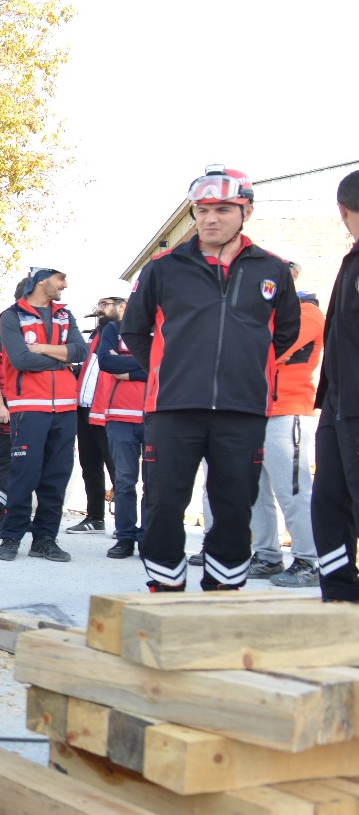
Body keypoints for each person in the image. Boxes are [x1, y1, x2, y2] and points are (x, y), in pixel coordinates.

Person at [121, 165, 299, 591]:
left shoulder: (271, 270)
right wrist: (173, 371)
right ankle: (164, 588)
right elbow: (133, 330)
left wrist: (245, 369)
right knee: (164, 505)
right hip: (172, 409)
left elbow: (286, 333)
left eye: (223, 209)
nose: (210, 219)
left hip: (242, 410)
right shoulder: (163, 268)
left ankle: (223, 589)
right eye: (202, 210)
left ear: (246, 212)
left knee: (235, 507)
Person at [0, 267, 87, 562]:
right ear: (42, 281)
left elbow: (81, 352)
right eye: (61, 278)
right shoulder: (11, 316)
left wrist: (43, 349)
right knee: (24, 473)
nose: (65, 283)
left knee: (56, 476)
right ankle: (11, 537)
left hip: (65, 407)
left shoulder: (65, 315)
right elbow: (20, 359)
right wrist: (62, 358)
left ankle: (45, 539)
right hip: (28, 406)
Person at [247, 262, 323, 587]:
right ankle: (267, 555)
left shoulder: (306, 312)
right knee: (256, 491)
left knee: (292, 490)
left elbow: (269, 349)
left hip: (287, 410)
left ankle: (309, 560)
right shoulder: (268, 312)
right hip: (255, 410)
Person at [311, 170, 359, 603]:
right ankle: (340, 595)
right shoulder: (352, 259)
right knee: (328, 502)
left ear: (341, 212)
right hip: (338, 405)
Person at [88, 281, 145, 558]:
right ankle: (125, 537)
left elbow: (170, 363)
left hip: (158, 416)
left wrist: (130, 370)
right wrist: (147, 366)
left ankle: (150, 537)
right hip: (120, 417)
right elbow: (108, 363)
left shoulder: (164, 329)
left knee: (157, 484)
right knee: (124, 482)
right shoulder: (114, 329)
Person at [0, 278, 33, 533]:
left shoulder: (42, 323)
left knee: (28, 460)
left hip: (33, 402)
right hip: (6, 402)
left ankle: (18, 516)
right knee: (6, 459)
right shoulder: (3, 320)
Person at [68, 290, 121, 534]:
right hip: (86, 408)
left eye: (105, 304)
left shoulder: (128, 335)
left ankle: (125, 523)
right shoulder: (96, 336)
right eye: (98, 304)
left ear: (122, 306)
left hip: (110, 409)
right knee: (89, 466)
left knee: (117, 468)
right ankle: (95, 517)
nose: (99, 309)